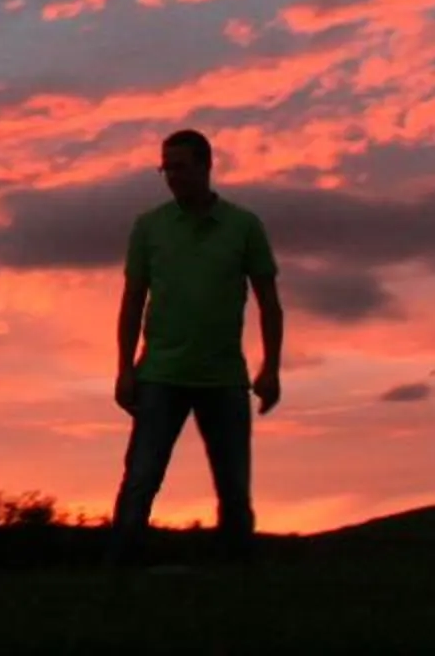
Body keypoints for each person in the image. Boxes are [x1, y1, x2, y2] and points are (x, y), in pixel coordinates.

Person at [105, 129, 281, 564]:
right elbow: (132, 300)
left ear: (206, 166)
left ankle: (237, 578)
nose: (172, 176)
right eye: (166, 167)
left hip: (223, 378)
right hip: (160, 374)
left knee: (234, 490)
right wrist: (125, 369)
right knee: (141, 479)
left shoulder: (244, 226)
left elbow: (270, 304)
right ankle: (121, 574)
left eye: (180, 166)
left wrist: (271, 368)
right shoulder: (150, 226)